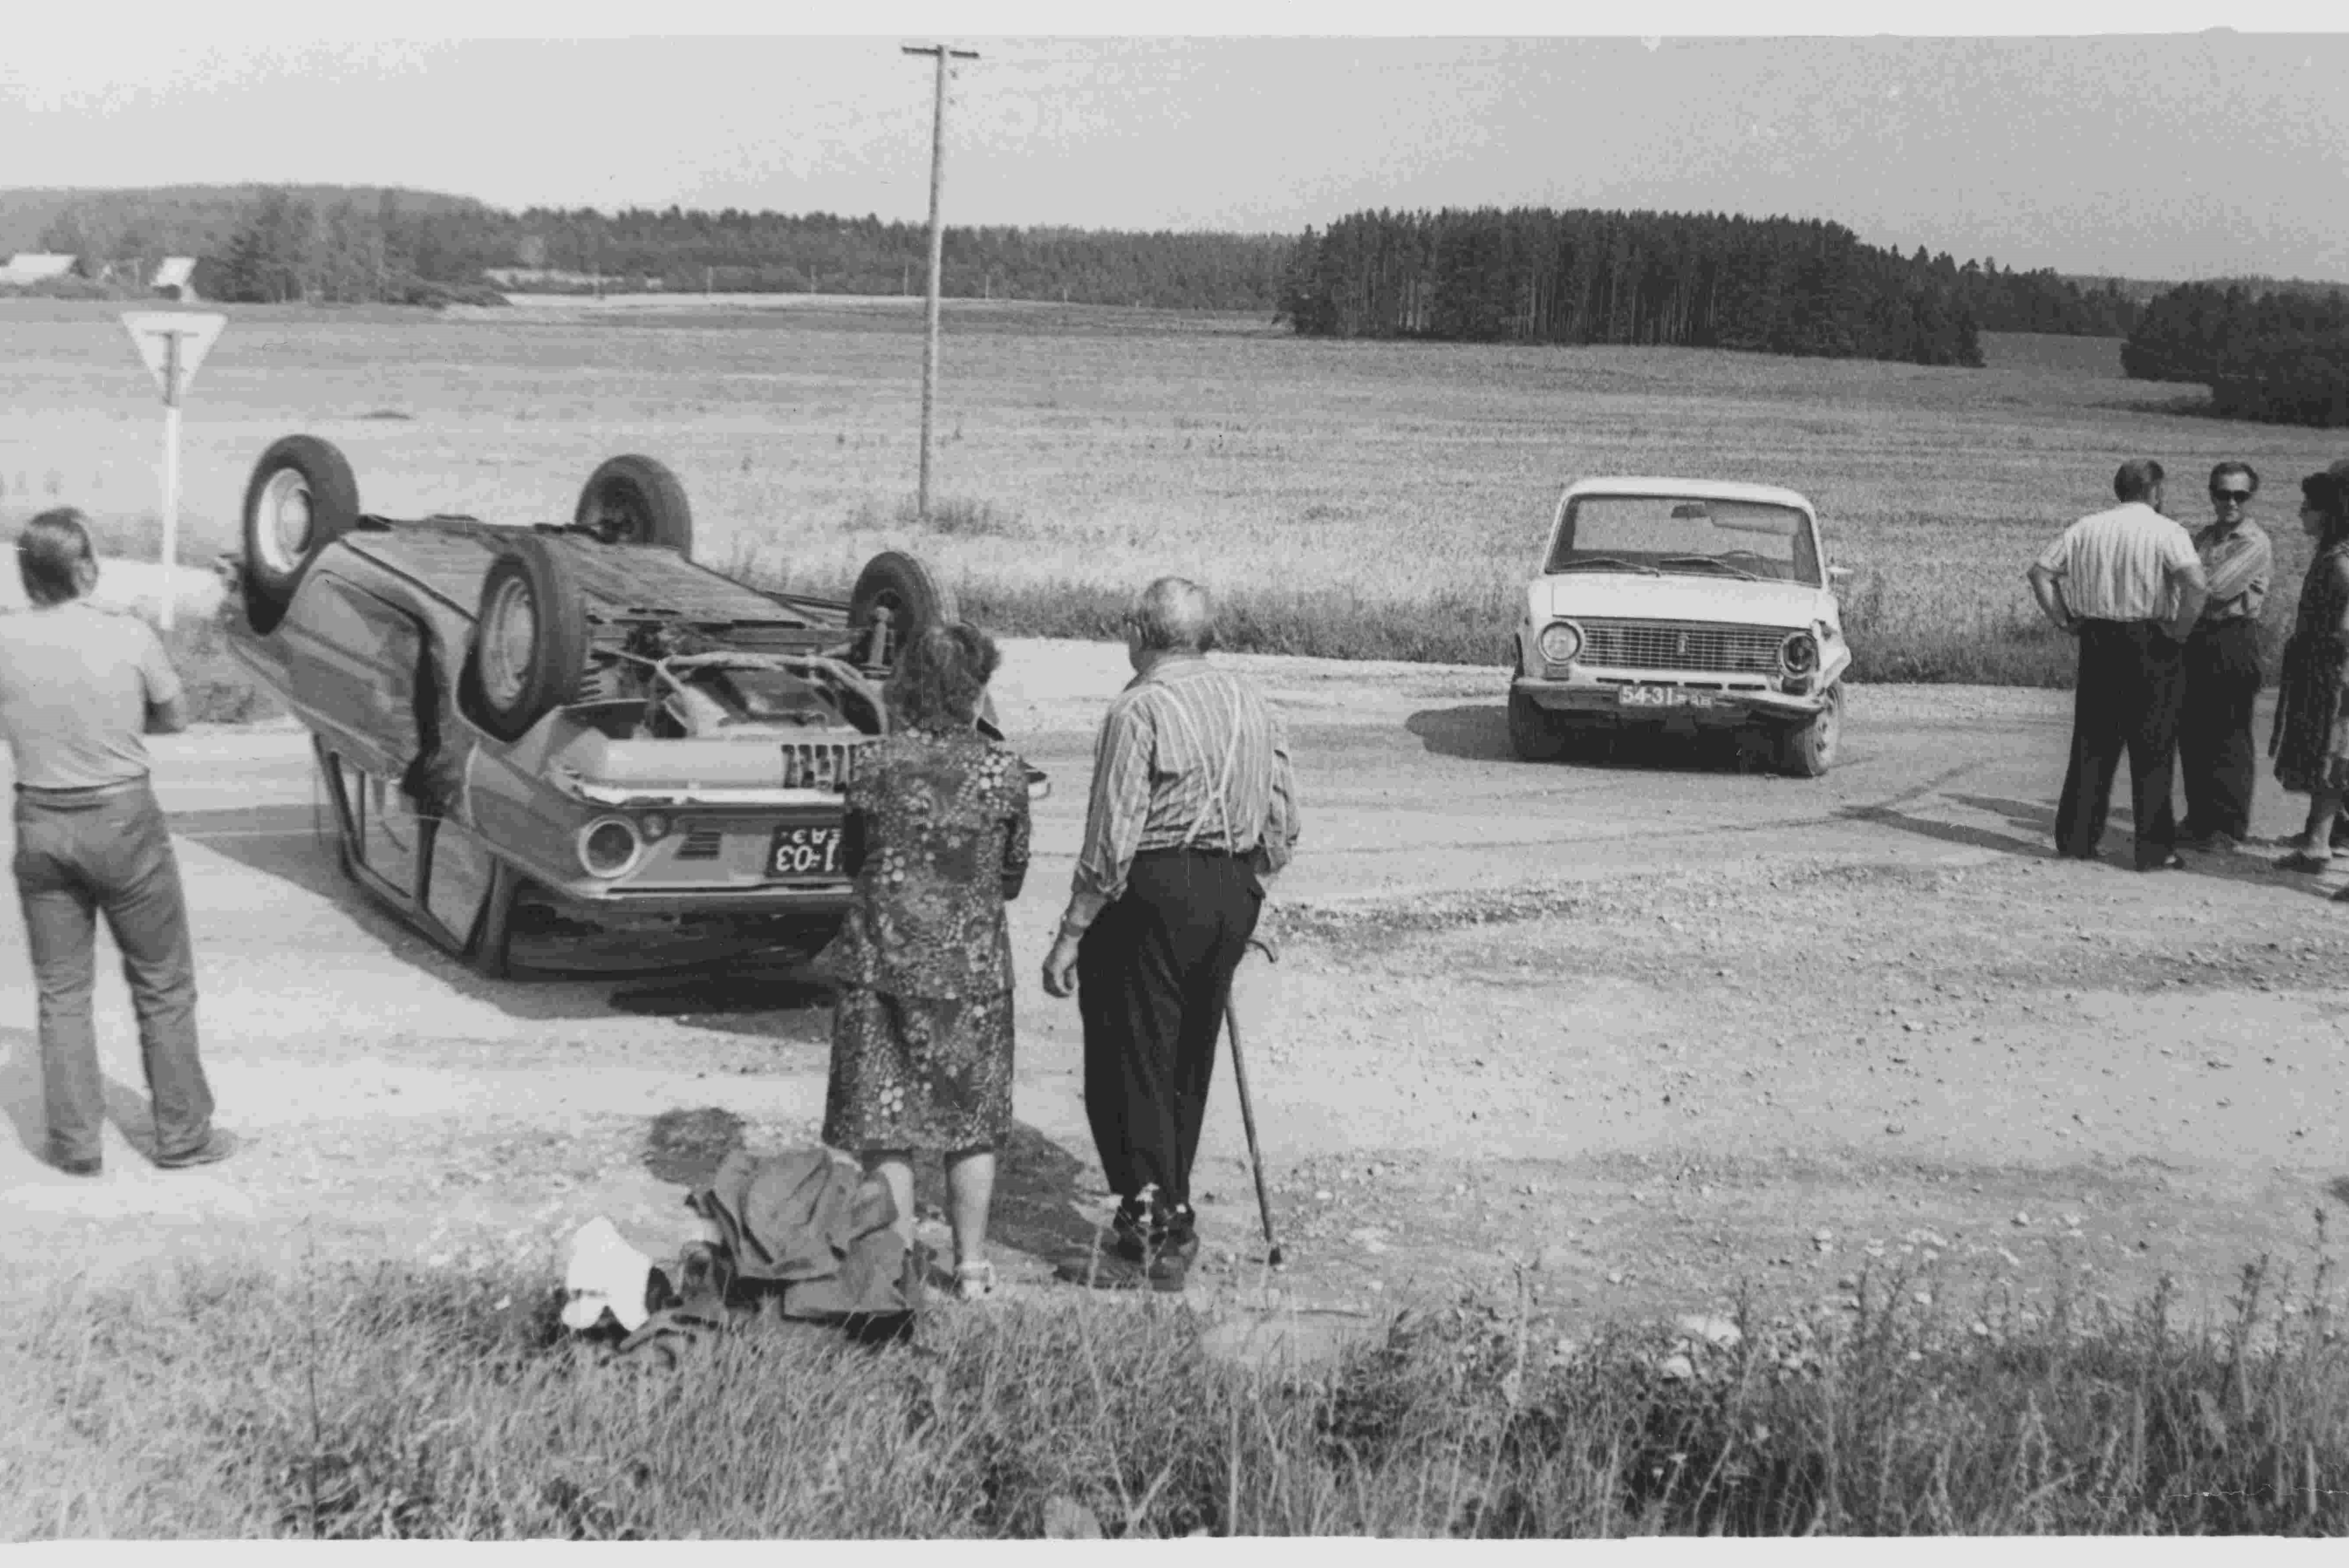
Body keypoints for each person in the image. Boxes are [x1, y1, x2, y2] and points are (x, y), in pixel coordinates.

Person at [1040, 577, 1301, 1292]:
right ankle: (1172, 1215)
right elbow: (1283, 818)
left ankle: (1150, 1235)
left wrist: (1071, 933)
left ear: (1141, 633)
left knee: (1131, 1060)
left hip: (1154, 888)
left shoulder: (1140, 708)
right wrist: (1247, 887)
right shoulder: (1253, 701)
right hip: (1229, 889)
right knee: (1187, 1057)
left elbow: (1113, 833)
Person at [0, 509, 232, 1176]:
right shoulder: (126, 634)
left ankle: (75, 1145)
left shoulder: (6, 639)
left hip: (41, 819)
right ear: (84, 567)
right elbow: (177, 716)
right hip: (123, 819)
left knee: (61, 989)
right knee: (161, 982)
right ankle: (182, 1137)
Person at [816, 621, 1030, 1303]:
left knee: (887, 1124)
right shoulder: (1004, 771)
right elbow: (1012, 874)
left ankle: (896, 1266)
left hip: (882, 963)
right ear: (976, 688)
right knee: (971, 1123)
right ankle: (970, 1268)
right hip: (971, 973)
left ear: (906, 686)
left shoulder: (873, 765)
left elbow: (852, 860)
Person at [2026, 460, 2210, 870]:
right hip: (2150, 640)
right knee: (2154, 749)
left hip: (2098, 641)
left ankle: (2076, 839)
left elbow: (2040, 573)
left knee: (2092, 745)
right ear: (2156, 491)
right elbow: (2197, 585)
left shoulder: (2086, 528)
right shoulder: (2168, 531)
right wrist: (2179, 632)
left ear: (2119, 489)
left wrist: (2064, 619)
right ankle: (2154, 848)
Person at [2177, 462, 2275, 849]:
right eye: (2222, 493)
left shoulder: (2253, 542)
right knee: (2194, 733)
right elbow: (2181, 581)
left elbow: (2212, 590)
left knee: (2228, 737)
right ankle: (2199, 819)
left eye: (2240, 495)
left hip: (2232, 639)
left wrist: (2187, 584)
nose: (2230, 502)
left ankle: (2228, 827)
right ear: (2212, 493)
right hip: (2199, 639)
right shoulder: (2205, 536)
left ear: (2251, 497)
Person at [2268, 471, 2349, 876]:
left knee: (2334, 755)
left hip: (2335, 672)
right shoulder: (2332, 554)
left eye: (2308, 507)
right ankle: (2320, 838)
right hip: (2329, 668)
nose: (2301, 514)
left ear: (2327, 512)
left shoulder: (2338, 561)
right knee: (2332, 756)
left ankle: (2319, 845)